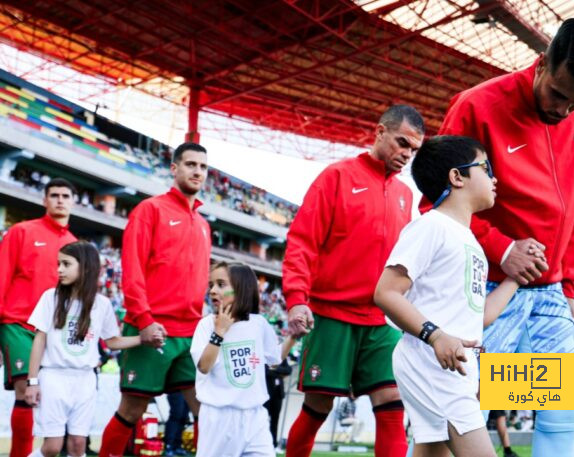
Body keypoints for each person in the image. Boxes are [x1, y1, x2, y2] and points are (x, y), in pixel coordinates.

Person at [418, 18, 574, 457]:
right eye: (559, 95)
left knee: (558, 414)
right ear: (542, 63)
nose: (565, 111)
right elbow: (434, 204)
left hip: (548, 293)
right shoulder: (478, 106)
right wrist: (502, 249)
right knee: (461, 415)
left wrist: (569, 283)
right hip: (485, 292)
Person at [283, 104, 425, 457]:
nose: (406, 154)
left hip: (381, 319)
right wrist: (297, 298)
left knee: (392, 404)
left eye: (413, 149)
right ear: (379, 132)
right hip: (331, 315)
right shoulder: (337, 176)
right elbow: (303, 241)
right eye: (402, 142)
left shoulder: (406, 196)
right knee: (318, 408)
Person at [375, 135, 530, 457]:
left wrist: (517, 278)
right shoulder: (432, 226)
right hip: (433, 363)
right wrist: (435, 336)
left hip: (452, 364)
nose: (494, 178)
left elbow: (479, 316)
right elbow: (386, 292)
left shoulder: (469, 241)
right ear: (457, 176)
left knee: (432, 453)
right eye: (485, 168)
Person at [99, 143, 212, 457]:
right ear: (174, 169)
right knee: (133, 409)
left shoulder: (204, 225)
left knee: (206, 409)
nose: (197, 172)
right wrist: (144, 321)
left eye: (203, 167)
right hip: (153, 330)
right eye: (190, 164)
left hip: (190, 334)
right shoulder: (150, 210)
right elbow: (132, 270)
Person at [23, 241, 144, 457]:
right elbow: (39, 340)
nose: (59, 269)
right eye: (58, 263)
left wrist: (141, 339)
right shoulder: (51, 297)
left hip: (86, 380)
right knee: (52, 447)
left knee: (79, 444)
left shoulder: (102, 304)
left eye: (66, 264)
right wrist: (32, 382)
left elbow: (113, 341)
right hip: (54, 378)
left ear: (86, 268)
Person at [0, 177, 77, 457]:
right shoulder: (21, 232)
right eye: (53, 195)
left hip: (54, 332)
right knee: (25, 392)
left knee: (48, 399)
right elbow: (1, 277)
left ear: (72, 202)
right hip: (18, 325)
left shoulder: (74, 246)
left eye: (65, 195)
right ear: (44, 200)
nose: (59, 199)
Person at [190, 261, 296, 456]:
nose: (213, 290)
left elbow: (274, 358)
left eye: (221, 285)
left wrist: (294, 337)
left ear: (241, 289)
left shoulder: (258, 324)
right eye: (211, 285)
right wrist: (219, 332)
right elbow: (204, 366)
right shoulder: (206, 326)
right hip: (219, 418)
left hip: (255, 416)